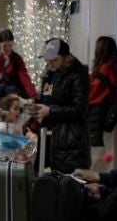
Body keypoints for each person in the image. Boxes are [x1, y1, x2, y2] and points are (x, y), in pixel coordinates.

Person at [31, 38, 90, 174]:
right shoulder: (52, 72)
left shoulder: (78, 74)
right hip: (50, 136)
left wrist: (50, 111)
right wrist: (37, 106)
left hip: (70, 142)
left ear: (65, 57)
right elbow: (47, 96)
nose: (49, 63)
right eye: (48, 60)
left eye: (54, 60)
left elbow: (79, 109)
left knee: (66, 186)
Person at [0, 29, 37, 152]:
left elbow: (23, 76)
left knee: (9, 126)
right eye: (5, 45)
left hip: (8, 98)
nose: (7, 48)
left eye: (10, 45)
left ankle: (10, 151)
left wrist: (32, 95)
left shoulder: (15, 59)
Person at [87, 36, 117, 169]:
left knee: (96, 159)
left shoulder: (105, 69)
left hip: (99, 116)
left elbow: (94, 94)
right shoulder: (112, 67)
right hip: (107, 115)